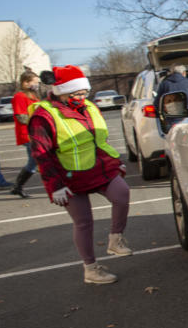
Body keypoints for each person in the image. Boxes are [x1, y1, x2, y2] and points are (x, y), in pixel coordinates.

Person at [29, 65, 134, 285]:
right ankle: (91, 269)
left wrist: (115, 163)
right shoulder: (43, 116)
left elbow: (99, 141)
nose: (81, 97)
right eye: (76, 93)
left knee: (122, 194)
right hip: (68, 178)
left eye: (84, 93)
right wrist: (54, 185)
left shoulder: (88, 106)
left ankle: (116, 239)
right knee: (84, 222)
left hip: (99, 169)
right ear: (61, 91)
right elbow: (41, 154)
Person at [9, 68, 43, 197]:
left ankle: (17, 187)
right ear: (26, 83)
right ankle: (18, 186)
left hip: (36, 133)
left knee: (35, 162)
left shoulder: (34, 96)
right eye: (35, 82)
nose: (37, 85)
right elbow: (21, 116)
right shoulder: (19, 96)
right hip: (28, 134)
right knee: (35, 162)